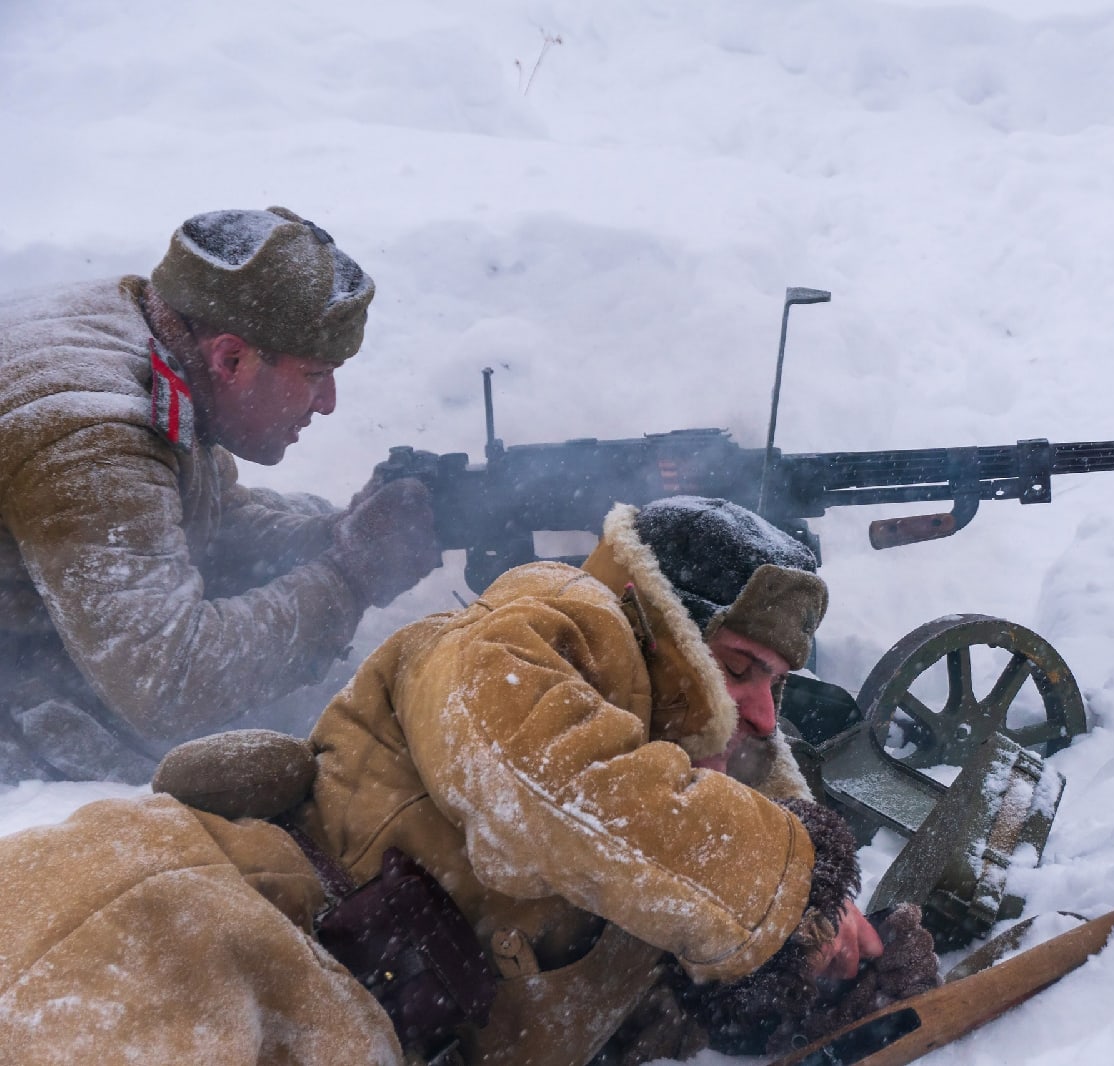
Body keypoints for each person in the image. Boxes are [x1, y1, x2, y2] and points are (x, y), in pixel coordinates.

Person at [0, 497, 939, 1066]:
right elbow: (539, 786)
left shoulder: (672, 839)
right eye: (739, 670)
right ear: (663, 629)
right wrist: (783, 880)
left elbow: (587, 1004)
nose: (765, 717)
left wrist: (788, 976)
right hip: (182, 930)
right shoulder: (529, 636)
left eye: (776, 684)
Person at [0, 206, 441, 784]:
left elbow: (198, 519)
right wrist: (350, 575)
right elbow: (168, 680)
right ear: (231, 357)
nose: (329, 402)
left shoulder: (163, 332)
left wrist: (335, 535)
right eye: (315, 375)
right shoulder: (91, 434)